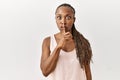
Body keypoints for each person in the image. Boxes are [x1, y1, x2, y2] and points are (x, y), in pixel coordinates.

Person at [40, 3, 92, 80]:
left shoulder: (83, 42)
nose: (63, 21)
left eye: (68, 17)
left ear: (74, 20)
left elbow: (87, 73)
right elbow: (45, 72)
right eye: (59, 17)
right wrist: (58, 47)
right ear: (55, 19)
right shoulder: (48, 41)